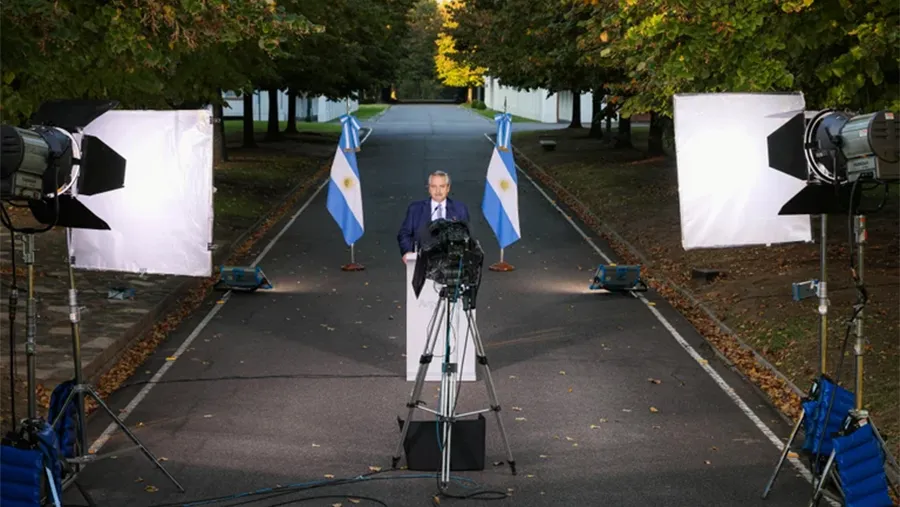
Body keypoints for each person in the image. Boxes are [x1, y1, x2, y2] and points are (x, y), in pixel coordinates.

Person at [397, 170, 470, 263]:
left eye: (442, 186)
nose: (438, 191)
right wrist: (407, 252)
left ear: (448, 188)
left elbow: (467, 236)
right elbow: (404, 234)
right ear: (429, 188)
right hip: (422, 260)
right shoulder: (415, 209)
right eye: (434, 186)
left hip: (451, 263)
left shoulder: (460, 209)